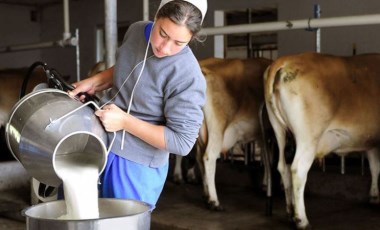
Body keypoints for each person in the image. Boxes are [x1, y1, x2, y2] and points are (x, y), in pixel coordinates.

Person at [68, 0, 208, 210]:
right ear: (156, 17)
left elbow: (182, 142)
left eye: (179, 43)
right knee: (76, 215)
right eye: (162, 33)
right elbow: (130, 67)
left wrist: (125, 122)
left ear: (192, 38)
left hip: (135, 165)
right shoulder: (136, 31)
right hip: (100, 141)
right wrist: (96, 81)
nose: (164, 47)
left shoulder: (187, 76)